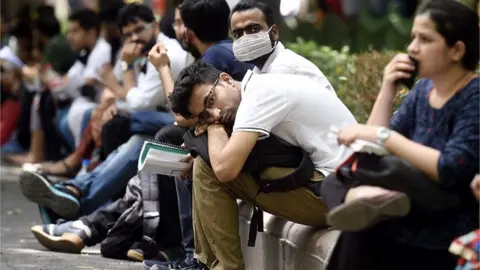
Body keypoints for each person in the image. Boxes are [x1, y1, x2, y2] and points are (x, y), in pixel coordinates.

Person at [320, 1, 479, 269]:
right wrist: (387, 89)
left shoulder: (474, 95)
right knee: (341, 180)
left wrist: (383, 137)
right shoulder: (423, 90)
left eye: (425, 39)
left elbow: (451, 168)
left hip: (443, 219)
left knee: (361, 212)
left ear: (457, 50)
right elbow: (373, 144)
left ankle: (367, 195)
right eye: (413, 37)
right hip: (405, 212)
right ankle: (366, 196)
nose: (412, 48)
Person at [166, 60, 356, 270]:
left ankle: (222, 267)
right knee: (205, 162)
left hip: (339, 196)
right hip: (338, 187)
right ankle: (207, 264)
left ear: (227, 80)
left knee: (207, 168)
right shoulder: (260, 87)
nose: (214, 114)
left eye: (211, 101)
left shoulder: (258, 97)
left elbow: (225, 169)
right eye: (203, 115)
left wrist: (213, 128)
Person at [19, 3, 188, 220]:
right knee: (134, 143)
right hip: (154, 122)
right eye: (128, 35)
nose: (135, 38)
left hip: (171, 122)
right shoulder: (142, 50)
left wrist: (125, 69)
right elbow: (113, 85)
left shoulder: (166, 53)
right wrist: (115, 98)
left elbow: (138, 101)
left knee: (118, 121)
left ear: (154, 25)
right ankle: (74, 193)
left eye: (139, 30)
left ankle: (74, 189)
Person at [230, 0, 331, 87]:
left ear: (274, 32)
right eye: (238, 34)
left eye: (253, 29)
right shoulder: (259, 71)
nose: (245, 38)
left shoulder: (286, 70)